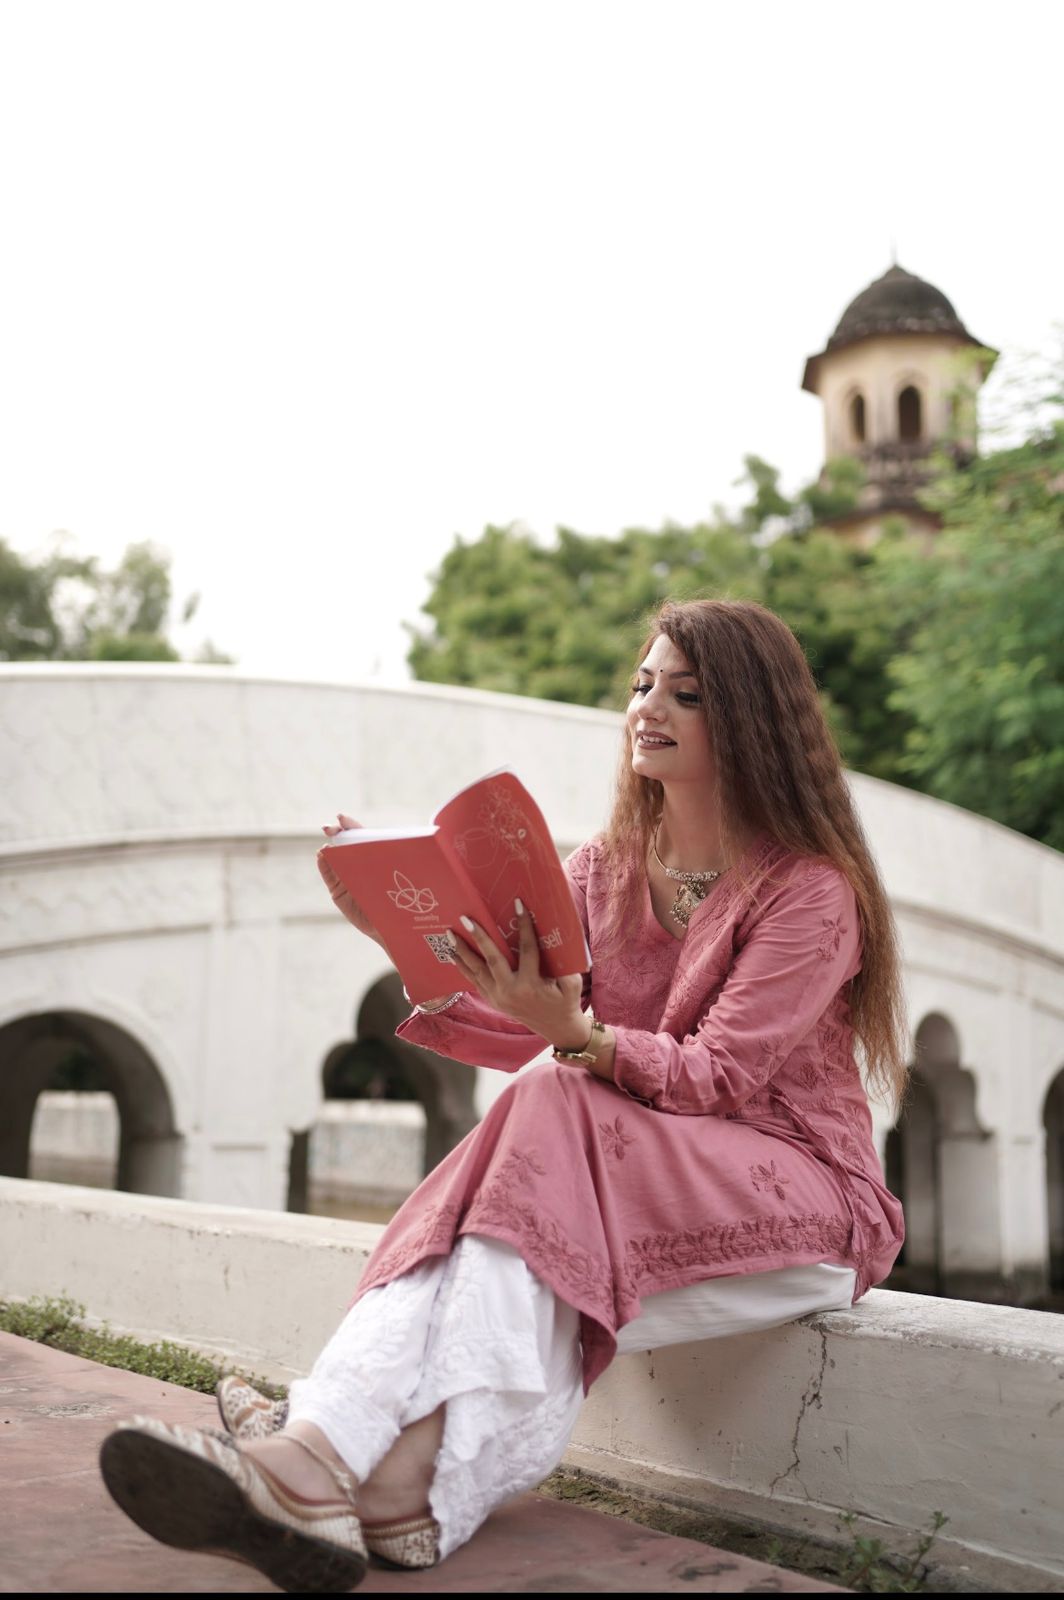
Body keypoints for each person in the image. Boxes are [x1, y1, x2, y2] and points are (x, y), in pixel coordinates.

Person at [99, 598, 907, 1593]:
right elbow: (519, 1022)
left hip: (802, 1196)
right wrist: (394, 931)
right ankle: (375, 1475)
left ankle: (332, 1444)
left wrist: (576, 1036)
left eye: (686, 694)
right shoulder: (603, 872)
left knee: (551, 1103)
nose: (648, 706)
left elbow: (718, 1077)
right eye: (642, 682)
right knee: (536, 1149)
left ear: (749, 720)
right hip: (620, 1176)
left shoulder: (807, 891)